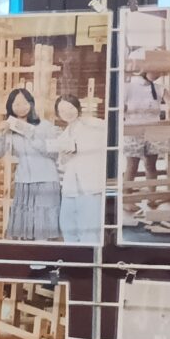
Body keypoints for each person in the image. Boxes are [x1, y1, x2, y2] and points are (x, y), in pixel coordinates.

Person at [0, 88, 61, 241]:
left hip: (46, 180)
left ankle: (43, 254)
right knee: (25, 227)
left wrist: (29, 134)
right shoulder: (10, 129)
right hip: (23, 180)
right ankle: (30, 253)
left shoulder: (45, 126)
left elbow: (53, 153)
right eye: (16, 104)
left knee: (43, 225)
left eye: (25, 103)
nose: (21, 107)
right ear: (10, 106)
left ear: (31, 104)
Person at [52, 93, 107, 245]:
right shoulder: (63, 135)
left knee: (89, 230)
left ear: (77, 107)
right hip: (70, 187)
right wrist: (65, 156)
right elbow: (62, 163)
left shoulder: (93, 124)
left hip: (90, 185)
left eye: (71, 108)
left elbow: (106, 140)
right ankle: (73, 258)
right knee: (68, 227)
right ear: (58, 114)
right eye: (63, 110)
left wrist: (79, 148)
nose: (68, 112)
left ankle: (89, 258)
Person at [123, 69, 166, 189]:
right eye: (156, 70)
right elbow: (121, 105)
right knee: (132, 166)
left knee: (151, 166)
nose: (158, 74)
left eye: (160, 72)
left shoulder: (158, 88)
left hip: (152, 131)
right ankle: (126, 196)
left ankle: (152, 195)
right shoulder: (129, 86)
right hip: (134, 130)